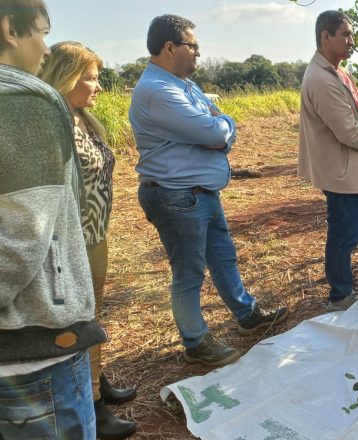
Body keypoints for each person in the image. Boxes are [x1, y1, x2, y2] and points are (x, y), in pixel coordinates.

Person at [130, 14, 289, 367]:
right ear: (170, 47)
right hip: (177, 195)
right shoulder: (160, 91)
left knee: (223, 256)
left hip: (199, 191)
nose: (198, 56)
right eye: (194, 47)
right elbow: (217, 132)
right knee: (189, 273)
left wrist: (219, 127)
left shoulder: (183, 85)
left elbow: (214, 126)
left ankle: (247, 315)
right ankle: (196, 341)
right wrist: (225, 126)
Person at [0, 1, 106, 438]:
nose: (45, 45)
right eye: (41, 31)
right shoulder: (25, 103)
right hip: (33, 344)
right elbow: (23, 233)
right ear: (10, 29)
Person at [39, 41, 137, 440]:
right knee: (80, 319)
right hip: (73, 240)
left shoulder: (80, 117)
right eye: (90, 79)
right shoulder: (54, 121)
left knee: (92, 315)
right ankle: (91, 402)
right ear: (65, 77)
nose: (98, 87)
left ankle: (98, 380)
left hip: (93, 234)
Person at [298, 10, 358, 312]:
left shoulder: (337, 72)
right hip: (341, 170)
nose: (352, 41)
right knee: (344, 233)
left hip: (351, 167)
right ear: (325, 37)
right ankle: (340, 294)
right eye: (345, 35)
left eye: (351, 34)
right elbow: (349, 132)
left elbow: (356, 117)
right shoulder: (322, 80)